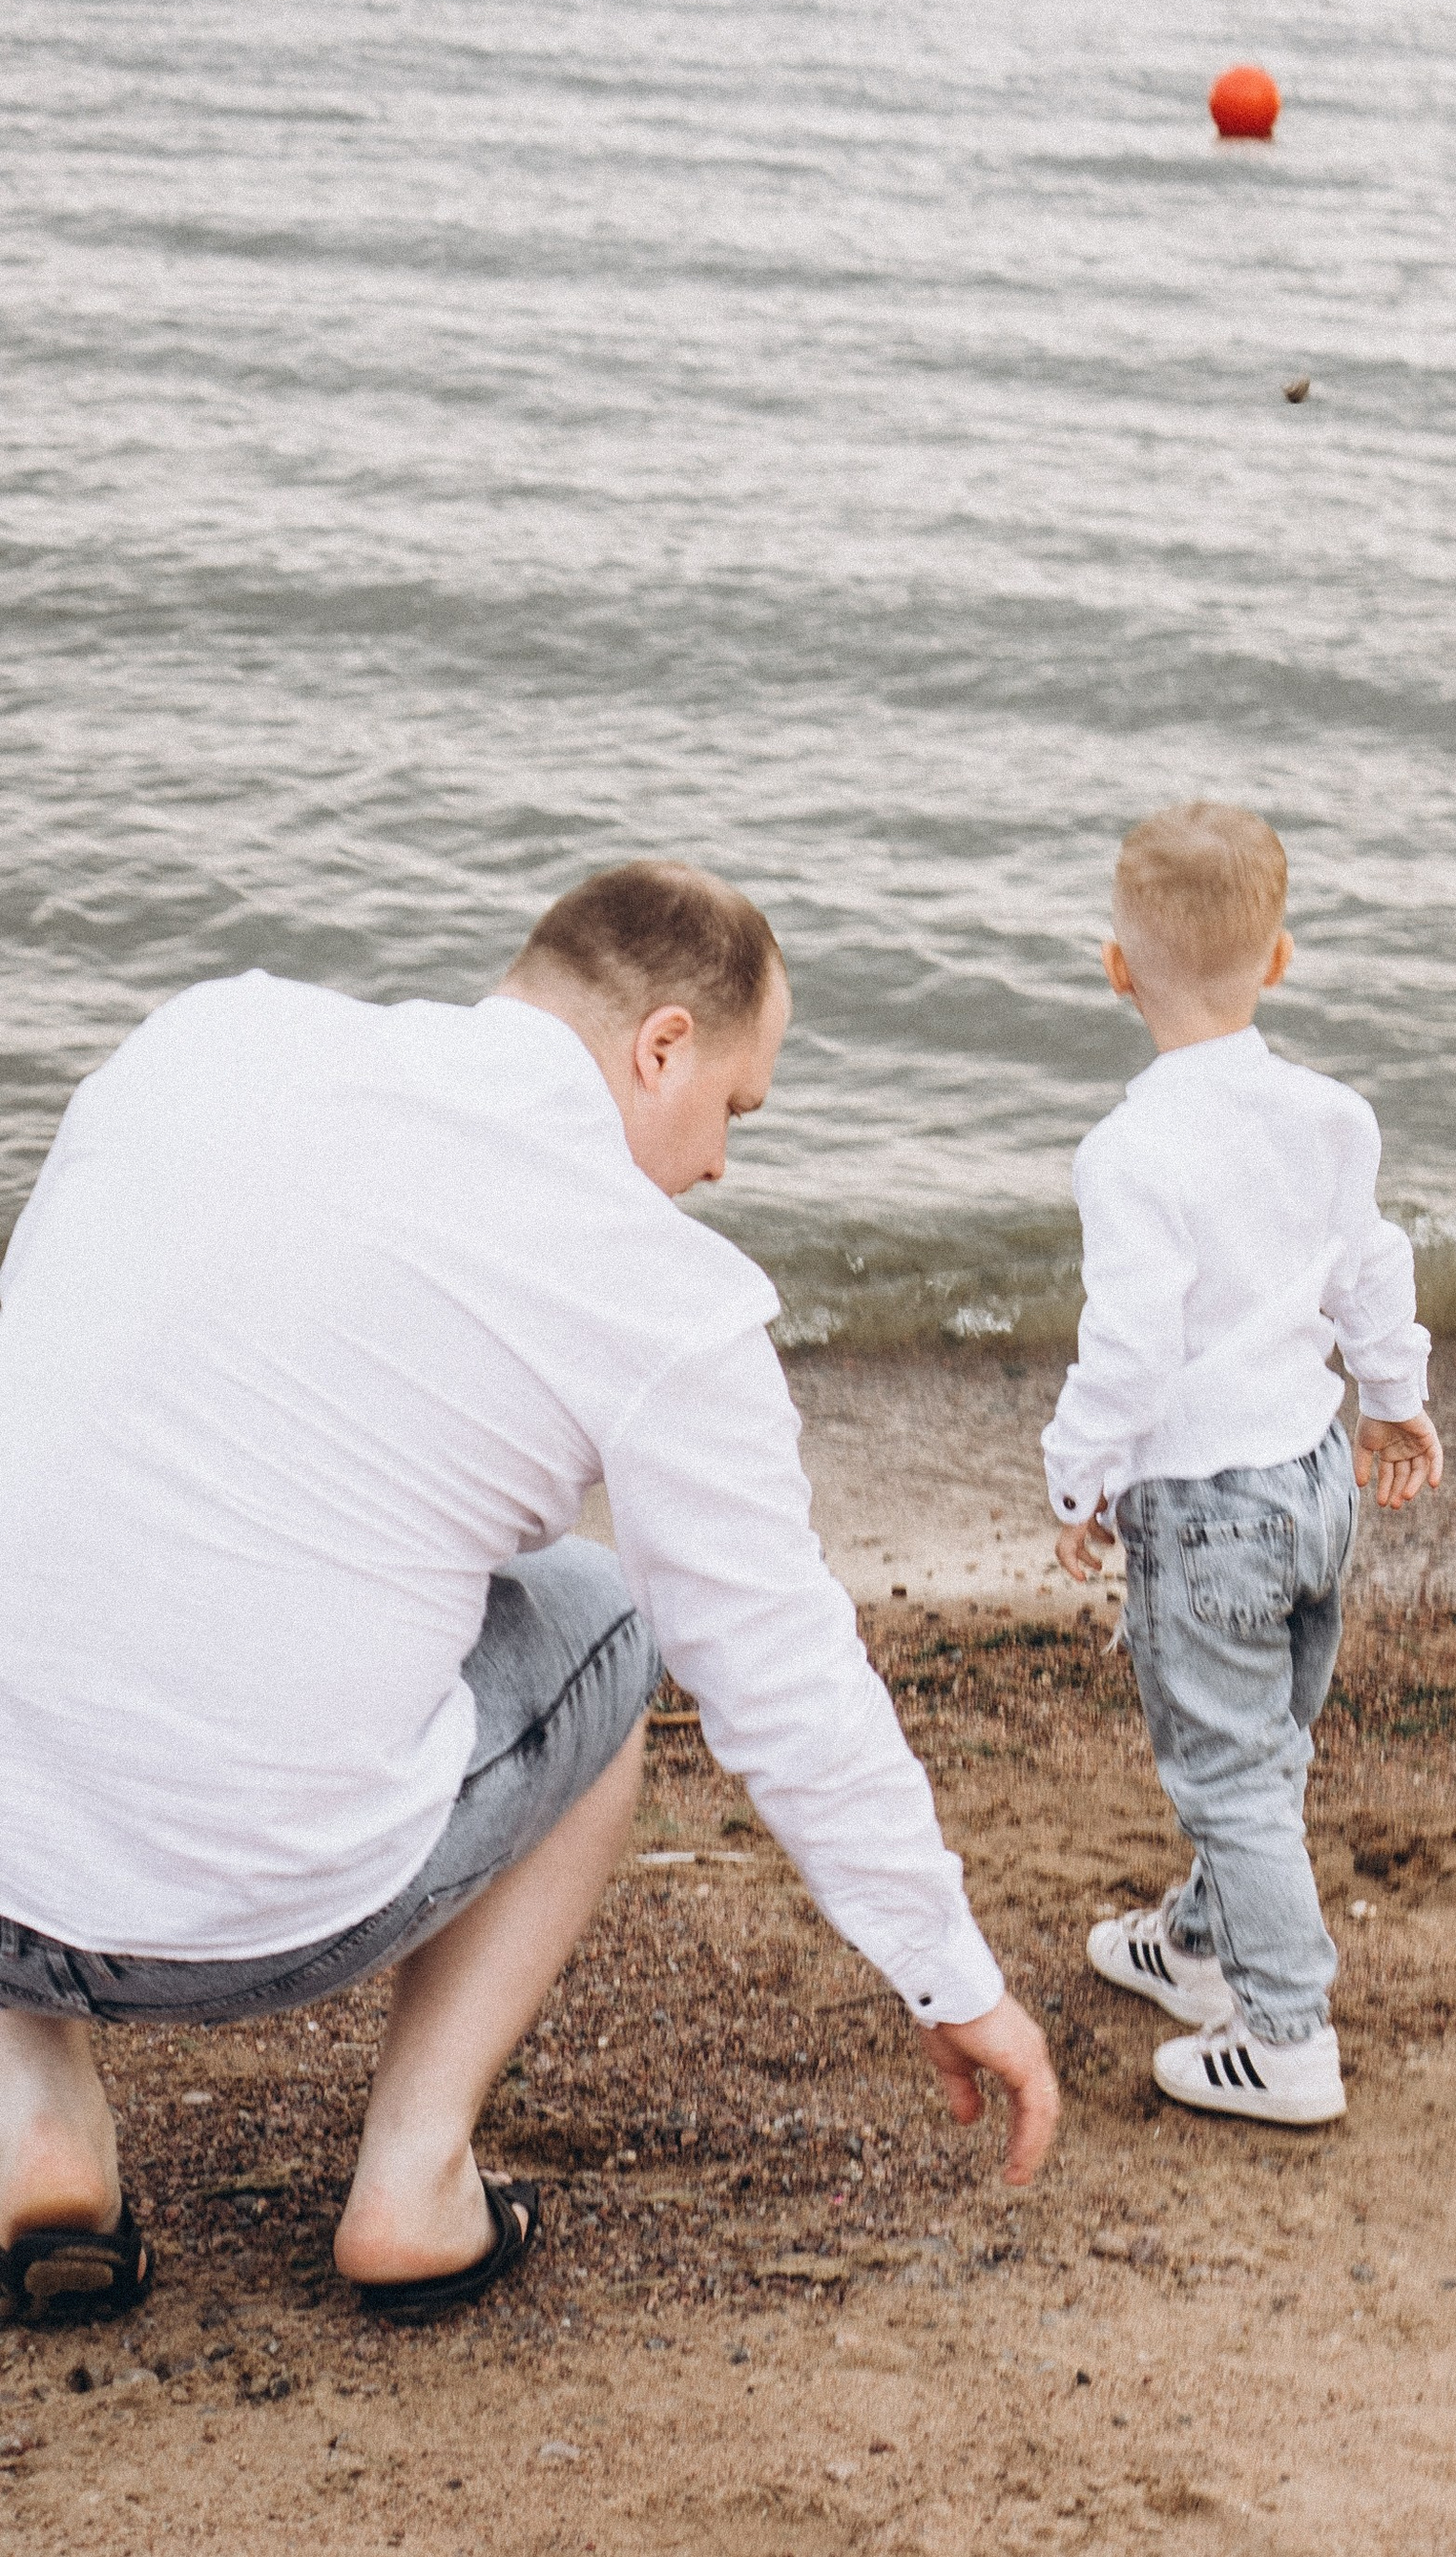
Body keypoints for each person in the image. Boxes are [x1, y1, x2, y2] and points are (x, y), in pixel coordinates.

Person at [0, 862, 1056, 2328]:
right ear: (662, 1045)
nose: (720, 1169)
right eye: (734, 1112)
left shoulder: (209, 1033)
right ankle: (414, 2181)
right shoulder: (651, 1286)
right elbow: (781, 1679)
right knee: (607, 1622)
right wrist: (955, 1981)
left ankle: (32, 2110)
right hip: (253, 1912)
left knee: (88, 1527)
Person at [1044, 803, 1443, 2126]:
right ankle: (1206, 1942)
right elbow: (1367, 1268)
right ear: (1278, 962)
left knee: (1227, 1768)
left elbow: (1133, 1345)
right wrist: (1394, 1398)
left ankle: (1286, 2038)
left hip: (1209, 1511)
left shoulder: (1130, 1150)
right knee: (1267, 1745)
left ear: (1115, 969)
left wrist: (1076, 1474)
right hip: (1317, 1481)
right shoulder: (1329, 1114)